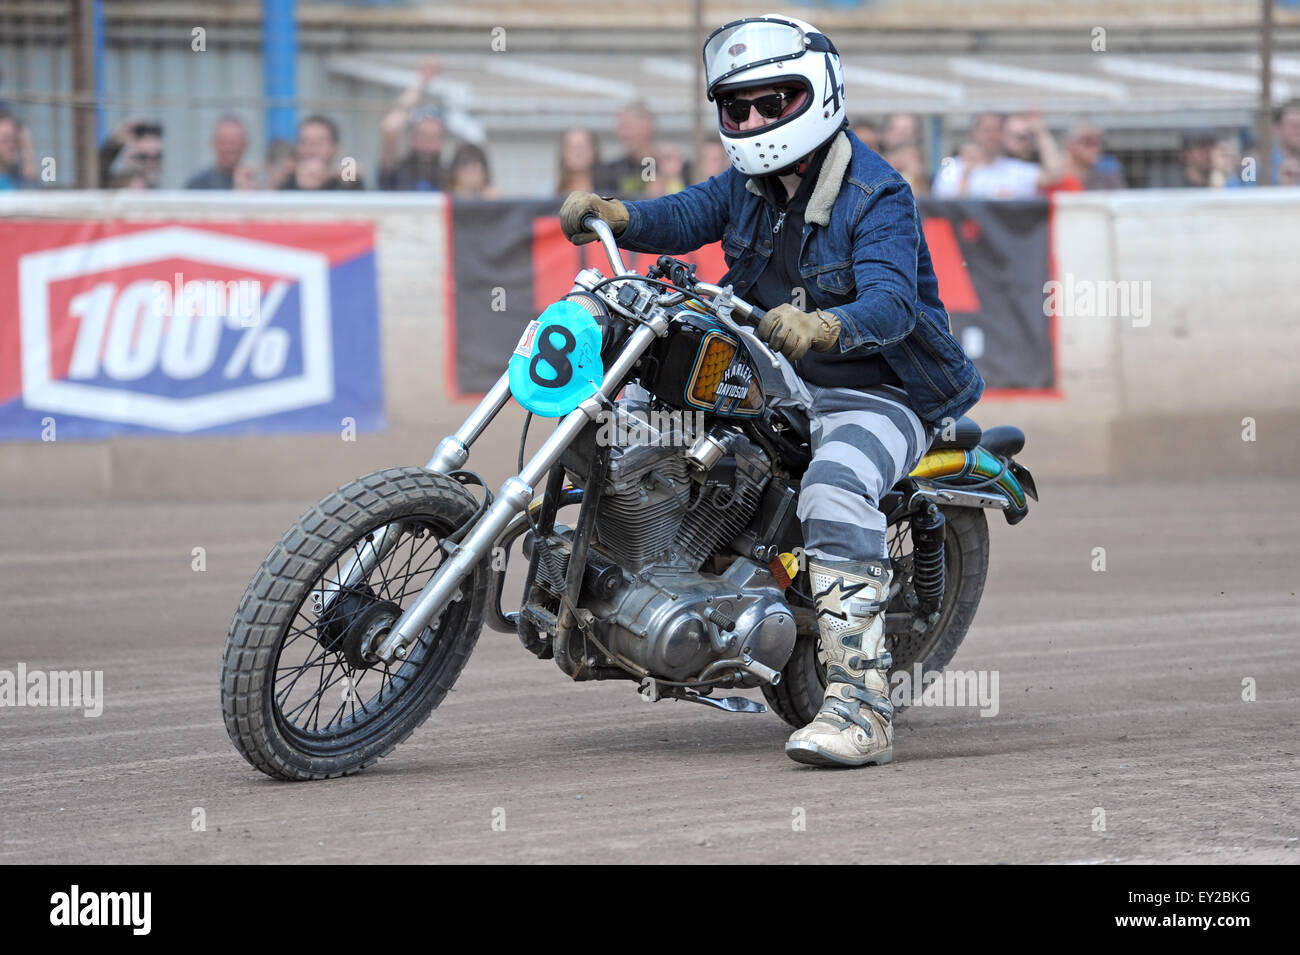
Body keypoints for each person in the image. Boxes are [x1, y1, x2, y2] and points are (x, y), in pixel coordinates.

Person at [560, 14, 983, 769]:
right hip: (780, 378)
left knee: (832, 491)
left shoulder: (877, 193)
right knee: (643, 402)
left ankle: (861, 706)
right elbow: (688, 212)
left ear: (817, 95)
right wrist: (619, 216)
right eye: (738, 107)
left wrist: (822, 327)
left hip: (881, 390)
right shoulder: (749, 186)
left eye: (774, 100)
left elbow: (892, 304)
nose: (754, 119)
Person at [931, 111, 1053, 198]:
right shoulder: (952, 168)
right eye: (987, 130)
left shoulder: (1014, 169)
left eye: (997, 130)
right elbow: (943, 205)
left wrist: (1040, 131)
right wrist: (966, 176)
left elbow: (1053, 175)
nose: (993, 136)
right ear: (975, 133)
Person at [379, 59, 446, 191]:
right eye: (424, 135)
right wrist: (421, 82)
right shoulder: (396, 170)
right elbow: (389, 127)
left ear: (441, 140)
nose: (428, 142)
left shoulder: (449, 175)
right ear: (413, 138)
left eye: (434, 136)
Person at [283, 114, 364, 190]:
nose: (310, 148)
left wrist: (328, 174)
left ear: (335, 148)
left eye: (318, 142)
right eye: (304, 141)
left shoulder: (346, 180)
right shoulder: (287, 178)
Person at [99, 117, 163, 189]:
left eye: (157, 157)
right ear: (126, 158)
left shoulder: (171, 193)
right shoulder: (111, 190)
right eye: (142, 157)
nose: (150, 163)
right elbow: (93, 175)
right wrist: (113, 146)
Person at [186, 115, 247, 189]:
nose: (230, 148)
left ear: (245, 144)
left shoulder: (257, 185)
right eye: (224, 142)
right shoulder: (198, 185)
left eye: (235, 142)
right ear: (213, 143)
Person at [556, 127, 598, 195]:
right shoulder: (550, 194)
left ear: (594, 151)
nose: (578, 153)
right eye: (572, 147)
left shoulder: (608, 190)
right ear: (563, 153)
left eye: (582, 147)